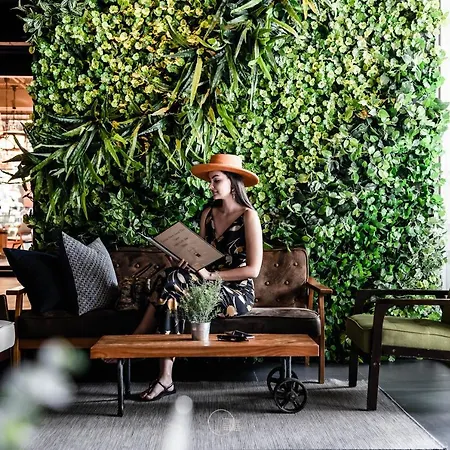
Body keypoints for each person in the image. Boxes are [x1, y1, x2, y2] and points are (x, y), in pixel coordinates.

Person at [136, 154, 263, 401]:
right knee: (172, 275)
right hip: (206, 284)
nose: (210, 186)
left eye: (216, 180)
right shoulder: (208, 214)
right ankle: (164, 376)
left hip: (236, 293)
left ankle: (144, 345)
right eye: (210, 181)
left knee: (173, 280)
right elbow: (201, 258)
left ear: (233, 182)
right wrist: (183, 262)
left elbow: (253, 270)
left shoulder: (249, 216)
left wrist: (211, 276)